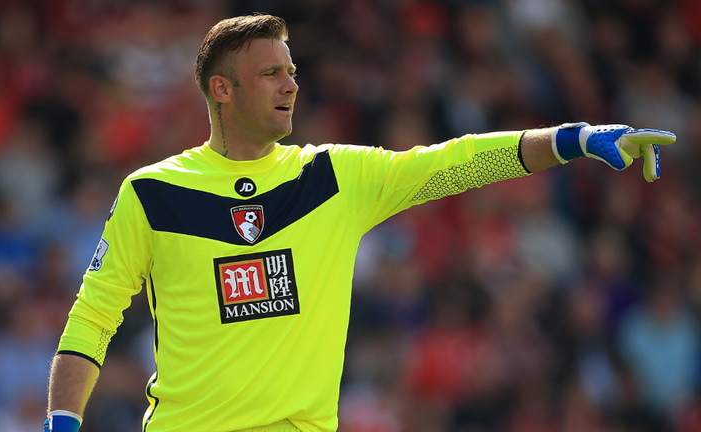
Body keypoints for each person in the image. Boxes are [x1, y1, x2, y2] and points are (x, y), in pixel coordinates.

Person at [43, 14, 676, 432]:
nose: (291, 83)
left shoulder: (334, 177)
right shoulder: (153, 193)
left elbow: (456, 164)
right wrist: (63, 423)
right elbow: (94, 315)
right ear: (222, 90)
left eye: (292, 71)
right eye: (271, 73)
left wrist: (572, 138)